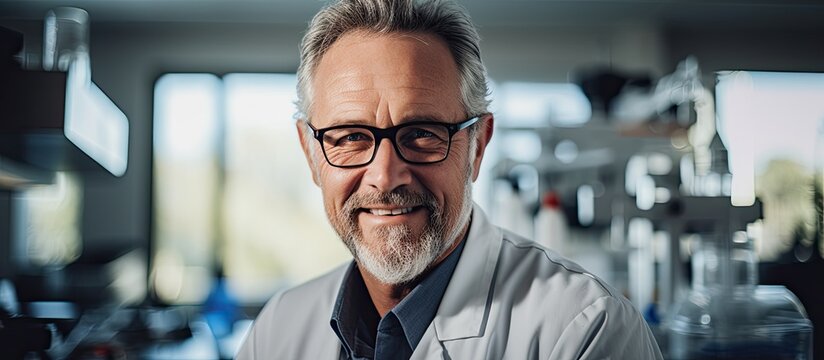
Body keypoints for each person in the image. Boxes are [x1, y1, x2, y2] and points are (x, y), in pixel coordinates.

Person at [237, 0, 663, 358]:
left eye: (422, 133)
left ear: (477, 146)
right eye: (350, 136)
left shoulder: (584, 329)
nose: (385, 176)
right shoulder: (277, 332)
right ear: (311, 154)